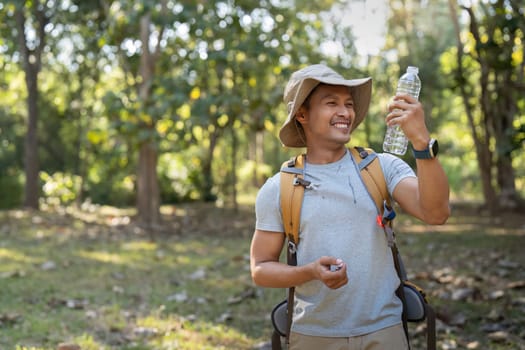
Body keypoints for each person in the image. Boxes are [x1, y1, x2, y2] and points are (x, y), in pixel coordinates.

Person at [250, 64, 450, 350]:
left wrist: (421, 142)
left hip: (385, 329)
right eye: (332, 103)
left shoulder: (381, 167)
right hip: (312, 335)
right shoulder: (278, 188)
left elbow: (437, 213)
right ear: (302, 114)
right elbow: (261, 269)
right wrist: (311, 272)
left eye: (348, 104)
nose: (345, 112)